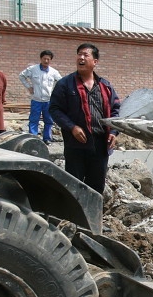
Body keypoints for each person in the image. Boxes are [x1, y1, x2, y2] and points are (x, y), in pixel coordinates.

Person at [49, 43, 120, 194]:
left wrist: (113, 132)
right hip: (75, 143)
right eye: (79, 54)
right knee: (74, 185)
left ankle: (94, 216)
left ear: (95, 62)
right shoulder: (65, 84)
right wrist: (72, 127)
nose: (81, 58)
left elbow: (115, 110)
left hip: (100, 144)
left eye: (85, 55)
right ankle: (74, 217)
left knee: (96, 185)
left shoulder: (105, 86)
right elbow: (54, 109)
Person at [19, 50, 61, 143]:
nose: (46, 61)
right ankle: (33, 139)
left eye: (48, 59)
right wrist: (28, 87)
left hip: (48, 101)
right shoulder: (32, 69)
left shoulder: (54, 72)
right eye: (44, 58)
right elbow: (21, 76)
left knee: (49, 120)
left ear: (50, 60)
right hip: (36, 100)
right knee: (34, 120)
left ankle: (47, 138)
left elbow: (61, 82)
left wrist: (55, 92)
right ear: (41, 59)